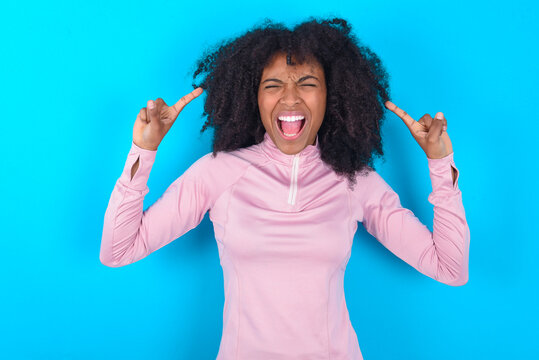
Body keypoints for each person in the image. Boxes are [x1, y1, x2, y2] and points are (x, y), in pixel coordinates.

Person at [100, 17, 469, 360]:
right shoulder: (218, 173)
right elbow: (119, 250)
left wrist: (441, 163)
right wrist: (143, 151)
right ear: (254, 98)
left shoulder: (356, 181)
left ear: (332, 97)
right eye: (272, 85)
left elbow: (450, 268)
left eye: (307, 84)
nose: (290, 98)